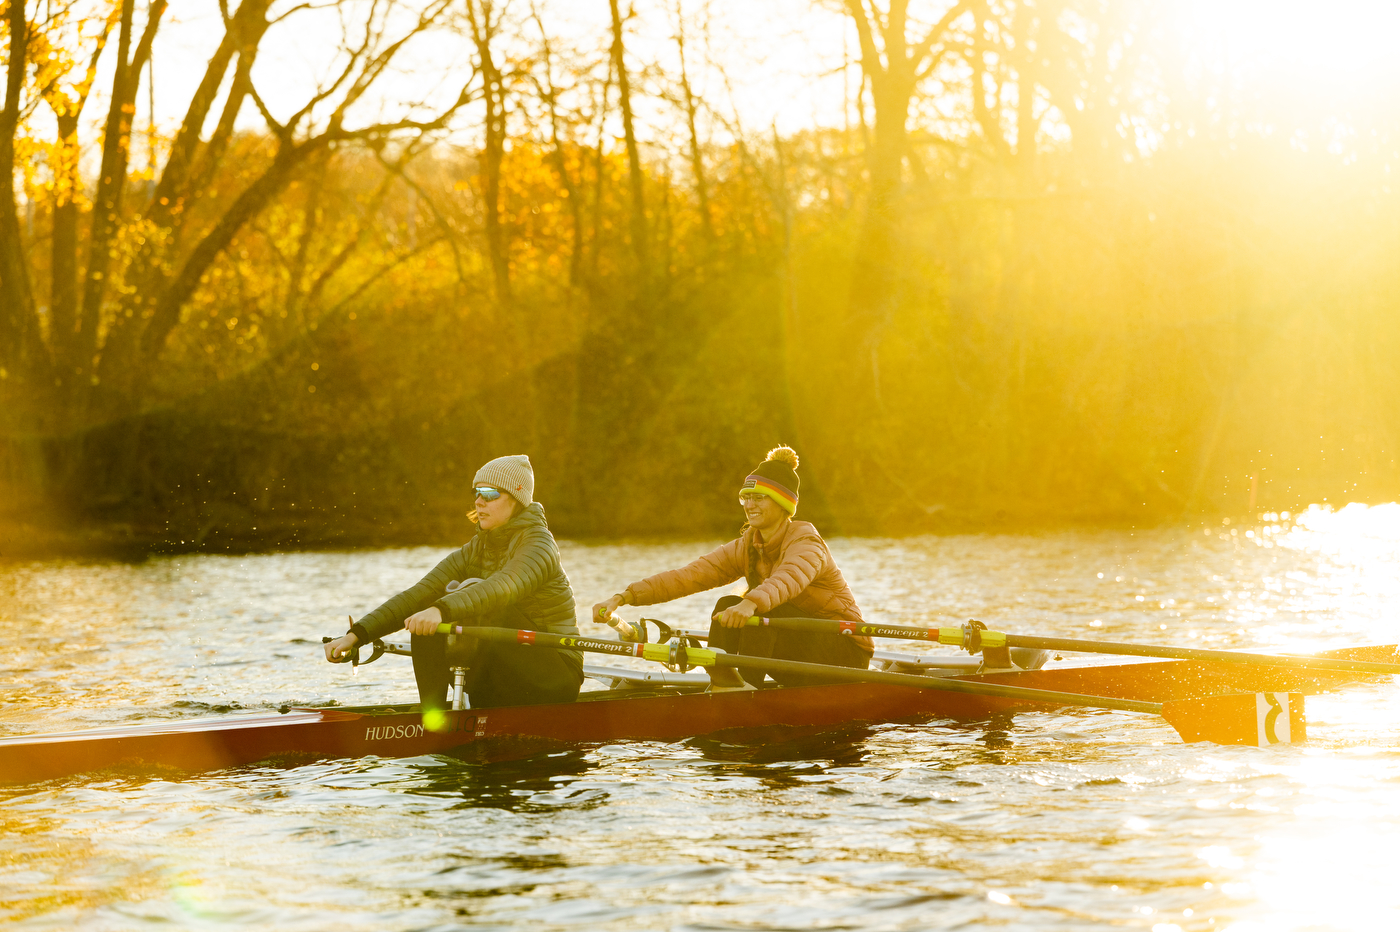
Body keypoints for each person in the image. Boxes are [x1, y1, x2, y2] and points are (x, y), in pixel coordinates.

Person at [592, 446, 871, 686]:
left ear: (782, 503)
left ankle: (744, 690)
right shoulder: (747, 545)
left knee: (762, 613)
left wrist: (750, 603)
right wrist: (624, 597)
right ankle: (725, 683)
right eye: (745, 497)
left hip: (844, 651)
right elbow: (689, 576)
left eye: (758, 497)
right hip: (799, 649)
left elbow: (788, 579)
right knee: (726, 605)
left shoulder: (807, 542)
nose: (749, 504)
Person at [323, 454, 582, 710]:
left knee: (460, 601)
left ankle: (438, 730)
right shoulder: (476, 548)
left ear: (516, 499)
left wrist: (441, 610)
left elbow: (501, 589)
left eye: (490, 494)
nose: (479, 501)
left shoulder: (539, 545)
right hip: (505, 671)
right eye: (476, 493)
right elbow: (419, 593)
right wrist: (356, 635)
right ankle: (432, 720)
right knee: (424, 613)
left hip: (555, 676)